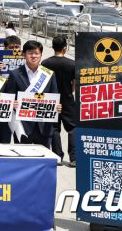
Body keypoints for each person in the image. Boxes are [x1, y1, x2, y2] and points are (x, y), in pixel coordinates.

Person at [7, 40, 61, 148]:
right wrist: (12, 104)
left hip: (44, 126)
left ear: (41, 55)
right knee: (23, 160)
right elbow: (10, 97)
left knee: (43, 160)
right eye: (30, 53)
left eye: (37, 53)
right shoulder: (15, 74)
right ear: (24, 54)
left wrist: (58, 107)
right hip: (22, 126)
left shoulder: (48, 74)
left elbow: (54, 95)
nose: (33, 56)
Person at [41, 35, 76, 167]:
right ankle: (74, 158)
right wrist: (69, 90)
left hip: (51, 99)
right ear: (65, 48)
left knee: (54, 129)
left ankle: (57, 156)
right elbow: (75, 84)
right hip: (67, 98)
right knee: (72, 128)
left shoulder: (45, 63)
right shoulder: (72, 64)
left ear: (52, 47)